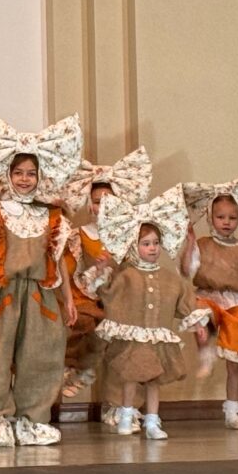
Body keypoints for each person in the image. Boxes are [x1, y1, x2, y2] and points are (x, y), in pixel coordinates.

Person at [0, 110, 82, 449]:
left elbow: (58, 262)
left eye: (31, 173)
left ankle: (32, 418)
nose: (25, 179)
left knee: (40, 355)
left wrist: (69, 299)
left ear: (40, 176)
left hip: (39, 296)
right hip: (2, 294)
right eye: (19, 173)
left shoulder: (51, 217)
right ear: (9, 174)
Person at [78, 186, 209, 439]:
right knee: (130, 378)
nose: (152, 248)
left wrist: (197, 323)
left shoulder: (169, 278)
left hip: (156, 340)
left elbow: (183, 300)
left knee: (153, 380)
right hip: (134, 341)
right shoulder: (127, 275)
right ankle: (126, 415)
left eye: (156, 243)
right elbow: (107, 291)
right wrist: (102, 271)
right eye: (146, 244)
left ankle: (152, 422)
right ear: (134, 246)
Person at [180, 173, 238, 430]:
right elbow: (186, 270)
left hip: (235, 305)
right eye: (221, 217)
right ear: (211, 218)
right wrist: (189, 244)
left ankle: (232, 411)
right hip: (208, 297)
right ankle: (206, 352)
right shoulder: (203, 245)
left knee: (235, 363)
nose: (226, 222)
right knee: (201, 315)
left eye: (232, 218)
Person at [60, 147, 152, 399]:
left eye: (109, 201)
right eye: (98, 201)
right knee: (86, 325)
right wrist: (95, 272)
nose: (103, 207)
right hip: (91, 298)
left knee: (128, 348)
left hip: (122, 298)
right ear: (89, 204)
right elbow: (72, 273)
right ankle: (81, 366)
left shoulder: (129, 238)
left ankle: (124, 406)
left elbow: (138, 270)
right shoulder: (79, 235)